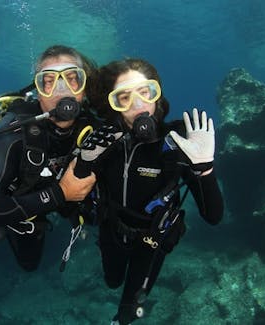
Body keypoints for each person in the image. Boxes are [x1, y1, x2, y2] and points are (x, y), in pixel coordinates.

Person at [88, 59, 224, 324]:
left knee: (127, 313)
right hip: (111, 231)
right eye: (123, 98)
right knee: (112, 281)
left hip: (152, 242)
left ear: (157, 94)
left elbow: (214, 216)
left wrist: (204, 168)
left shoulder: (178, 143)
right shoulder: (103, 141)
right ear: (113, 105)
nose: (137, 104)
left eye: (145, 92)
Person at [0, 45, 100, 271]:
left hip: (44, 199)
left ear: (84, 88)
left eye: (72, 78)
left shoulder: (93, 127)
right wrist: (60, 193)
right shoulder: (13, 129)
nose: (61, 90)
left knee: (30, 264)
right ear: (38, 90)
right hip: (9, 197)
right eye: (48, 81)